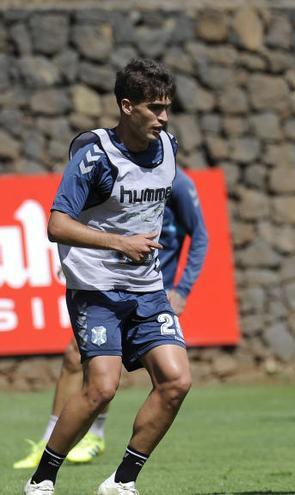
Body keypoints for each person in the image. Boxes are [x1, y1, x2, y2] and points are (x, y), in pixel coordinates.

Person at [24, 58, 192, 495]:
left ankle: (121, 482)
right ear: (126, 106)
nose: (164, 116)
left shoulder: (170, 148)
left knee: (176, 381)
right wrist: (121, 243)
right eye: (154, 107)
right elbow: (56, 225)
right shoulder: (94, 156)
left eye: (167, 107)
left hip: (147, 289)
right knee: (101, 388)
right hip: (95, 288)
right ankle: (42, 480)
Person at [14, 164, 207, 469]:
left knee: (164, 378)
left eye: (163, 112)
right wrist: (73, 259)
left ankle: (95, 438)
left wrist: (182, 289)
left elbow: (200, 237)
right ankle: (61, 441)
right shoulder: (115, 173)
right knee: (79, 359)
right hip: (109, 287)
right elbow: (102, 226)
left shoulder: (177, 181)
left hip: (151, 292)